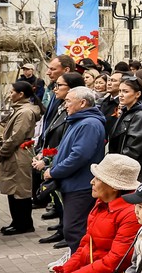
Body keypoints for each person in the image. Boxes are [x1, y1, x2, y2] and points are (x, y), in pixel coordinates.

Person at [43, 86, 107, 251]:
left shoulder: (89, 124)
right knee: (73, 227)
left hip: (81, 185)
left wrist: (54, 171)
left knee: (74, 229)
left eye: (68, 101)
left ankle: (80, 264)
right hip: (74, 183)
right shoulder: (79, 121)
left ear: (83, 102)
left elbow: (79, 156)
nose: (65, 105)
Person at [0, 80, 43, 238]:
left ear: (21, 94)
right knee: (13, 189)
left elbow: (16, 137)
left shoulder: (25, 112)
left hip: (18, 153)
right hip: (17, 152)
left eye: (12, 92)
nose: (10, 95)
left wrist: (1, 153)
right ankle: (17, 222)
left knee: (20, 190)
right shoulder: (21, 109)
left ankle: (23, 224)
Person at [108, 75, 142, 181]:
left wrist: (115, 164)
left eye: (126, 92)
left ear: (138, 94)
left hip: (132, 171)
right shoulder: (127, 111)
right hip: (123, 166)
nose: (121, 95)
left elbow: (133, 149)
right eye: (120, 91)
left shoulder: (140, 115)